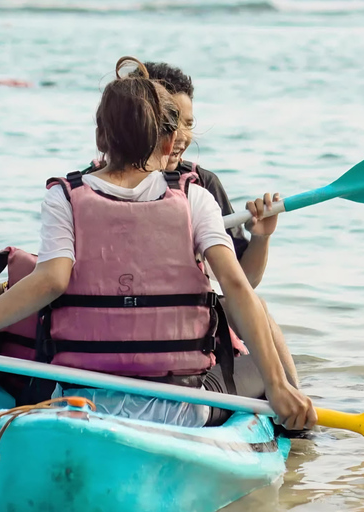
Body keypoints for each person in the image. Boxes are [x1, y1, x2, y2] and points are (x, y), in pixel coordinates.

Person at [0, 56, 316, 432]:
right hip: (181, 403)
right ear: (166, 139)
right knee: (258, 357)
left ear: (102, 137)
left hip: (81, 395)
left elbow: (48, 283)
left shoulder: (65, 196)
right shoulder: (196, 196)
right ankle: (296, 424)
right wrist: (278, 384)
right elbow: (239, 288)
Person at [85, 62, 300, 393]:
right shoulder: (186, 192)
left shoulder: (201, 183)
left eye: (189, 123)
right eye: (172, 123)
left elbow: (244, 281)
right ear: (143, 121)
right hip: (163, 339)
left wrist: (261, 238)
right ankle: (292, 408)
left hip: (153, 332)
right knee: (253, 310)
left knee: (247, 304)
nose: (182, 136)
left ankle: (294, 408)